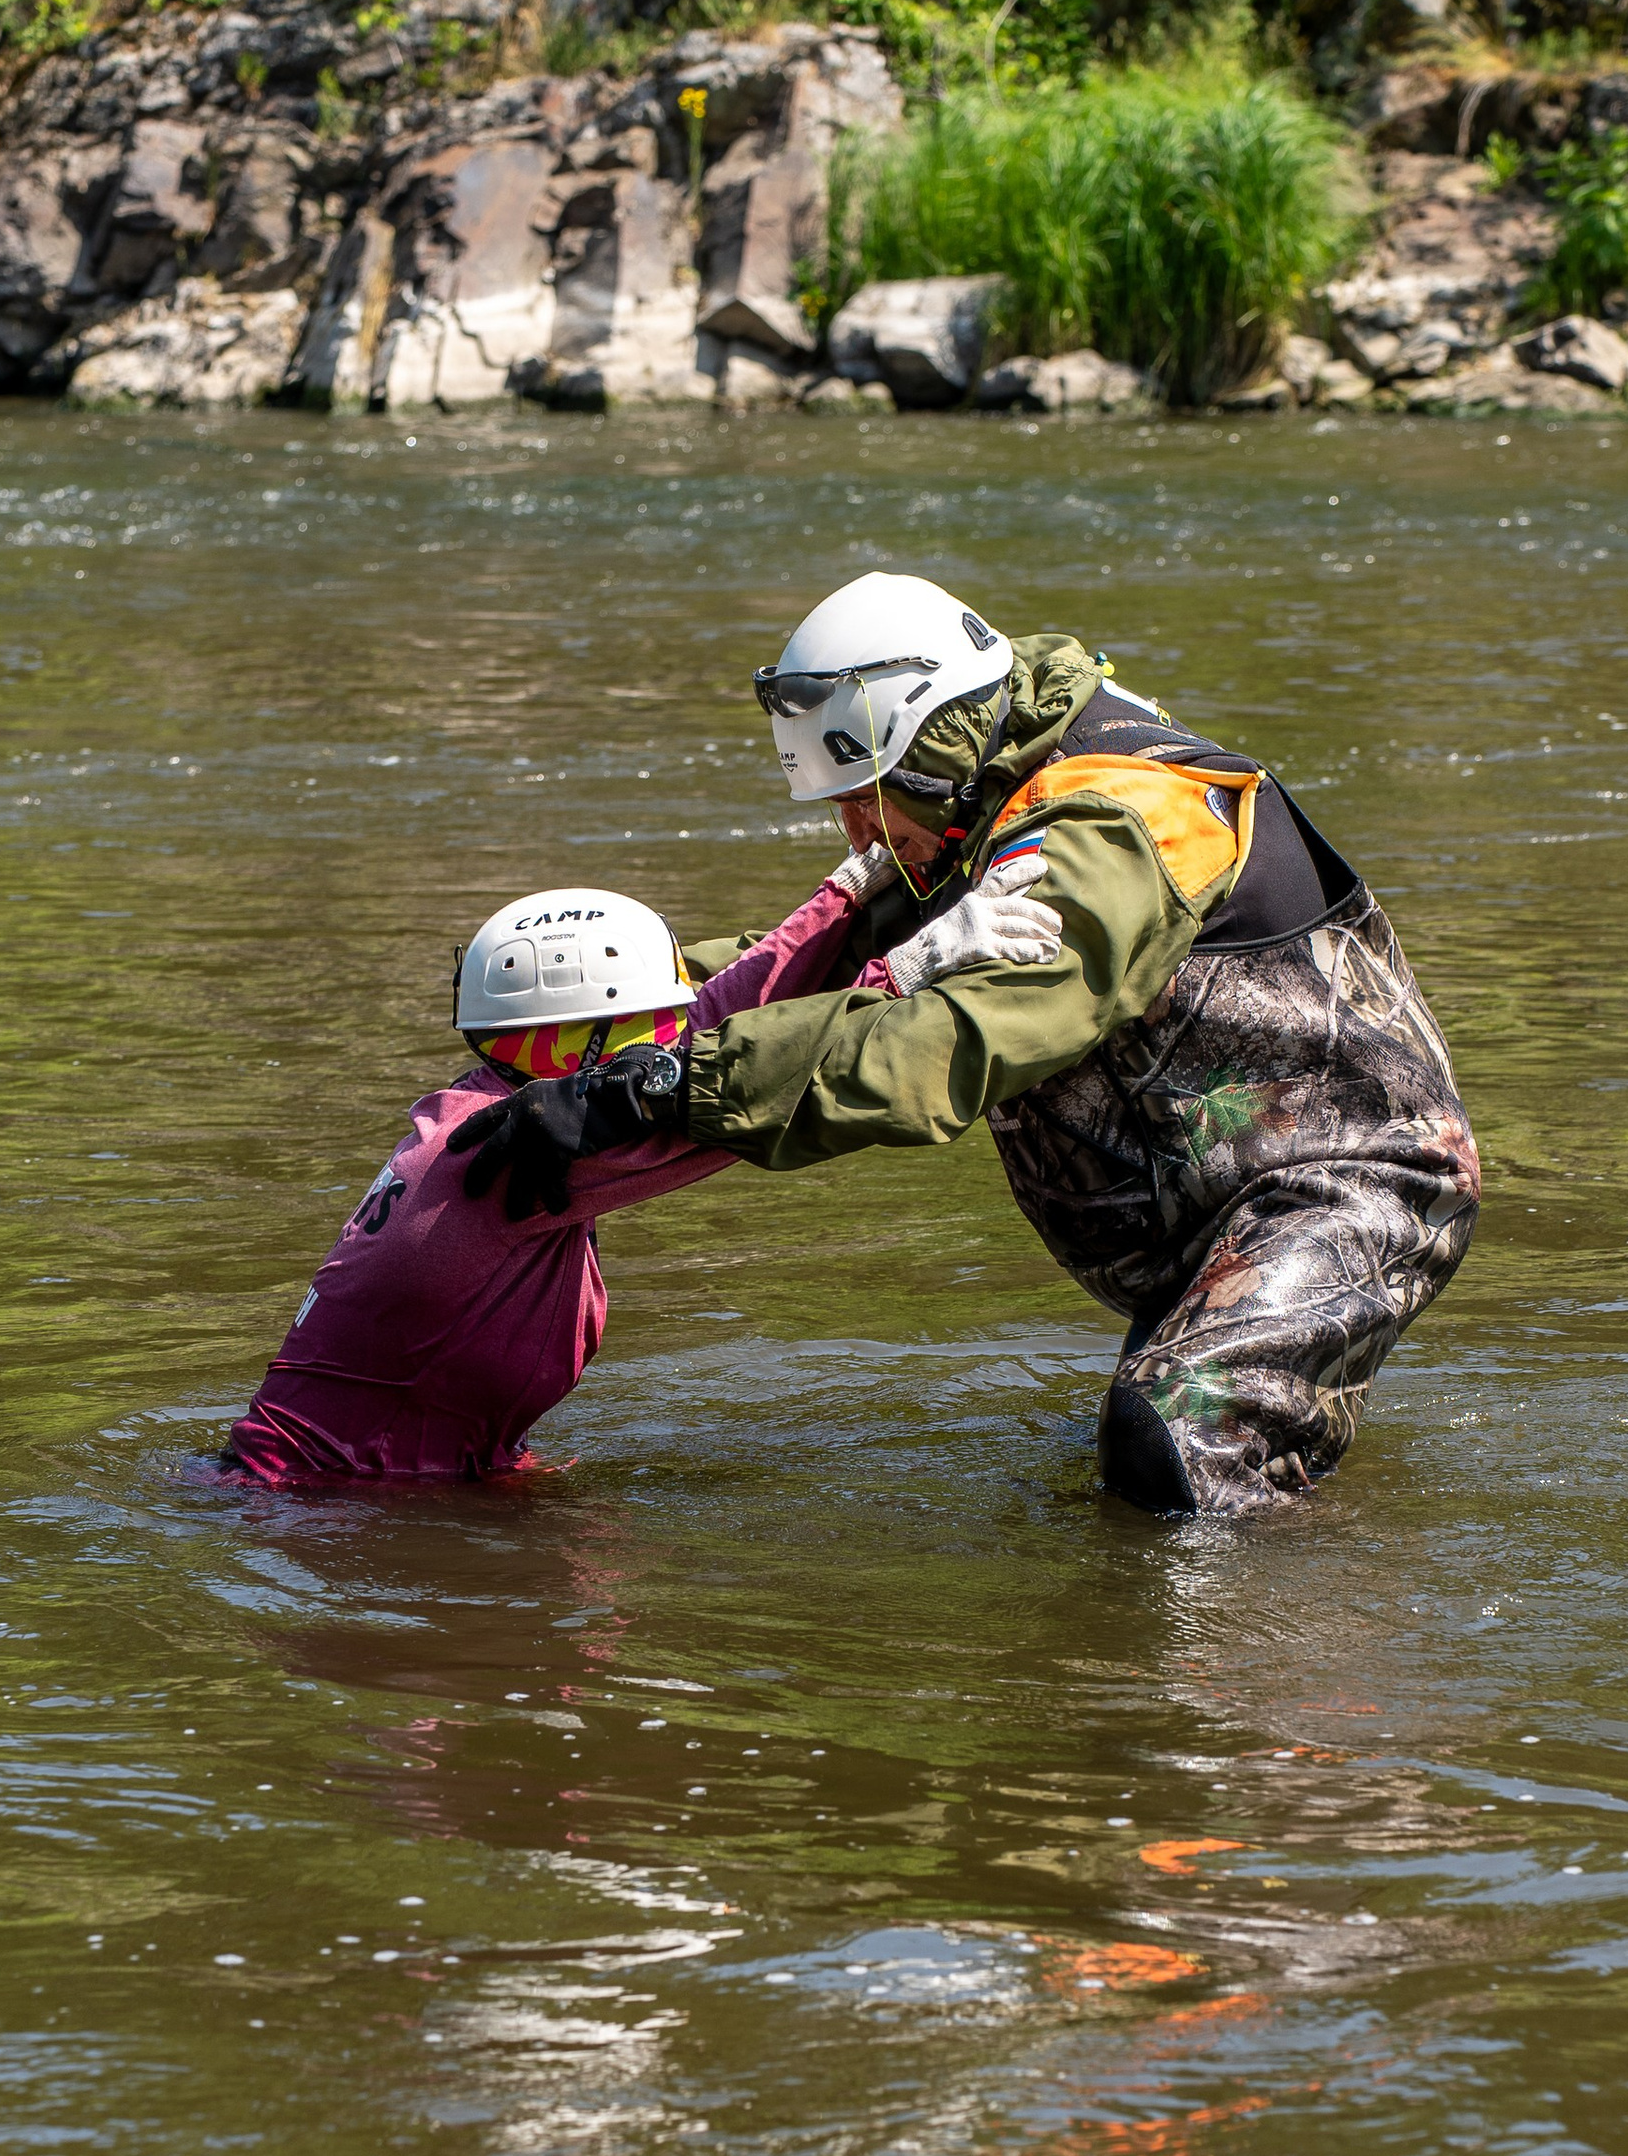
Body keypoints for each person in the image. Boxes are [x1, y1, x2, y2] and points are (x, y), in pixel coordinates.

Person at [465, 573, 1480, 1517]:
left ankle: (1260, 1691)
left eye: (864, 793)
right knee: (1141, 1480)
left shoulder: (1116, 823)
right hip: (1204, 1217)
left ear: (931, 743)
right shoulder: (971, 802)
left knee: (1172, 1452)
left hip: (1346, 1186)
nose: (853, 829)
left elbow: (963, 1033)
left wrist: (671, 1090)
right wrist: (572, 1032)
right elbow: (802, 968)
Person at [221, 841, 1060, 1487]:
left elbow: (717, 1016)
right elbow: (756, 1090)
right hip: (320, 1500)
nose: (671, 1043)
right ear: (581, 1039)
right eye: (649, 1027)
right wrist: (907, 971)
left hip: (415, 1476)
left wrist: (849, 887)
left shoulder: (507, 1101)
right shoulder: (510, 1150)